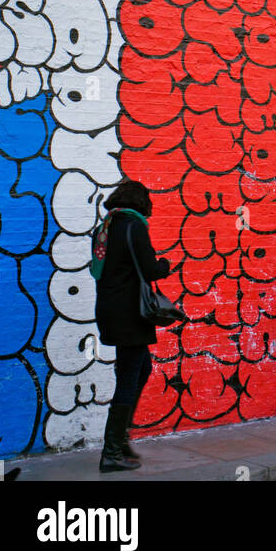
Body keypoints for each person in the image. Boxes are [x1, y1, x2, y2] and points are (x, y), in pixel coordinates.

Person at [90, 179, 170, 473]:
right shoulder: (133, 226)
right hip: (129, 313)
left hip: (110, 308)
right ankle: (112, 451)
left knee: (142, 369)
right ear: (140, 201)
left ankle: (120, 439)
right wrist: (165, 265)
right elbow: (149, 268)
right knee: (128, 377)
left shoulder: (105, 228)